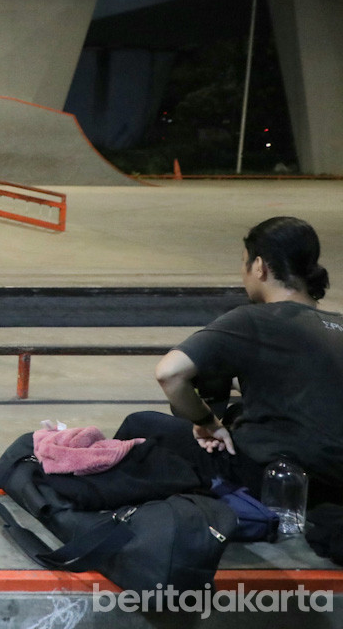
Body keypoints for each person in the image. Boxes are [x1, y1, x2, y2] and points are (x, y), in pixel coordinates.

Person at [116, 216, 343, 505]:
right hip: (331, 486)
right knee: (237, 410)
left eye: (244, 261)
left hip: (270, 479)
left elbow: (170, 374)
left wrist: (207, 422)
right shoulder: (337, 325)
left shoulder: (253, 319)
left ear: (259, 267)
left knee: (142, 424)